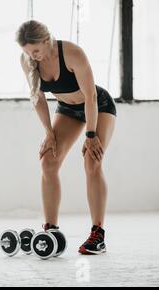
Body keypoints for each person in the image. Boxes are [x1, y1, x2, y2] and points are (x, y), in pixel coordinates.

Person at [16, 20, 117, 255]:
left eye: (36, 51)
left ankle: (98, 234)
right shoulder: (29, 60)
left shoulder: (71, 53)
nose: (33, 57)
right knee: (48, 161)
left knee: (92, 161)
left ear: (46, 40)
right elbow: (38, 98)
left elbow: (90, 96)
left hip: (98, 105)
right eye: (28, 52)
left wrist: (91, 134)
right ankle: (51, 230)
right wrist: (48, 133)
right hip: (68, 109)